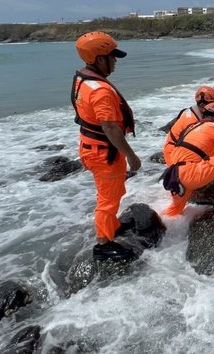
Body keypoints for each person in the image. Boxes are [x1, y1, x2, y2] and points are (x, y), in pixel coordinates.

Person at [71, 31, 141, 262]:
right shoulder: (100, 91)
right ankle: (103, 244)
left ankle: (113, 225)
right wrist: (131, 156)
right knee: (107, 198)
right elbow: (110, 128)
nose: (116, 61)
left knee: (114, 190)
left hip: (93, 147)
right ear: (100, 59)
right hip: (103, 152)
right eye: (112, 56)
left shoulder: (82, 80)